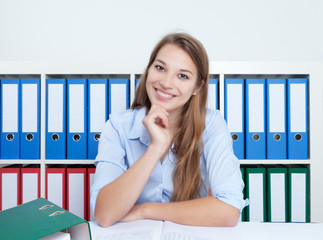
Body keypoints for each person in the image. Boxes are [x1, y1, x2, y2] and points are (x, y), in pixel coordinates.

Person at [90, 32, 248, 228]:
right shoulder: (118, 126)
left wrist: (144, 210)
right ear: (148, 70)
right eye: (160, 68)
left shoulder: (211, 124)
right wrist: (155, 149)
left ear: (198, 86)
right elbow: (104, 214)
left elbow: (228, 210)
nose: (166, 83)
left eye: (182, 76)